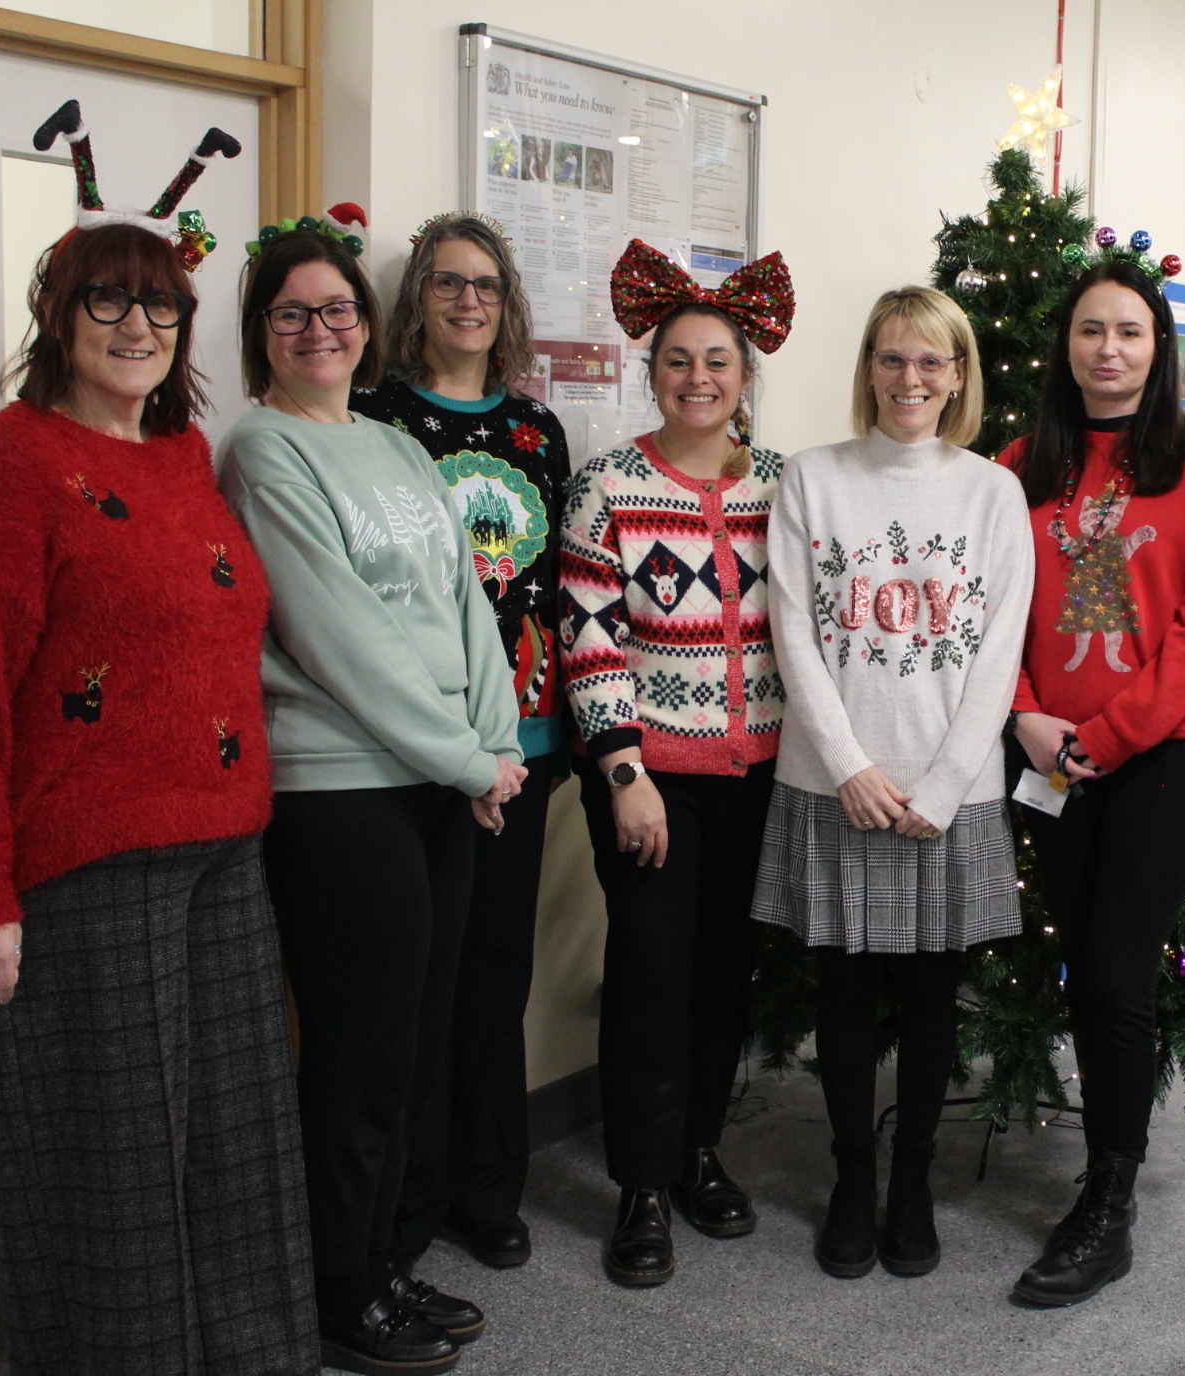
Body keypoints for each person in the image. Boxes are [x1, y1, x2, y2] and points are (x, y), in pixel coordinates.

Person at [0, 107, 316, 1373]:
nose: (137, 330)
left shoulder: (190, 459)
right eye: (108, 306)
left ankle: (249, 1355)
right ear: (62, 320)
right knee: (114, 1167)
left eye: (161, 310)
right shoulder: (6, 464)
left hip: (223, 854)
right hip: (83, 873)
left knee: (241, 1149)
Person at [218, 217, 523, 1376]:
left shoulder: (394, 447)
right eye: (292, 313)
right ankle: (337, 1287)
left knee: (411, 1044)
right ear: (262, 334)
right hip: (340, 790)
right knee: (356, 1051)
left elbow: (464, 609)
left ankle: (384, 1259)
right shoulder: (261, 450)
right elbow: (336, 636)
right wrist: (464, 758)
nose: (319, 329)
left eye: (337, 309)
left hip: (442, 777)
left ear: (364, 323)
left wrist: (492, 745)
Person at [754, 287, 1033, 1280]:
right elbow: (792, 630)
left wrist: (948, 778)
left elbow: (1000, 646)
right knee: (841, 991)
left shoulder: (989, 493)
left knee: (925, 999)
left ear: (958, 374)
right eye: (890, 357)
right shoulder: (811, 478)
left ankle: (909, 1180)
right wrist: (852, 768)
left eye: (930, 361)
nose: (909, 378)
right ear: (867, 366)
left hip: (947, 790)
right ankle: (847, 1178)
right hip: (834, 780)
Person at [998, 260, 1185, 1307]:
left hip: (1168, 753)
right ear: (1065, 346)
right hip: (1050, 752)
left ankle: (1107, 1199)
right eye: (1090, 330)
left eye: (1130, 333)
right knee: (1085, 965)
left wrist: (1106, 737)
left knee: (1110, 969)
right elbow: (988, 605)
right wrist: (1024, 713)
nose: (1108, 349)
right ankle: (1104, 1174)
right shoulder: (1019, 462)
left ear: (1158, 351)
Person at [559, 240, 794, 1286]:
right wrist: (622, 773)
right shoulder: (603, 486)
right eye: (677, 361)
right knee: (651, 977)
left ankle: (700, 1152)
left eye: (718, 361)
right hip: (651, 779)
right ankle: (641, 1186)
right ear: (649, 373)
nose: (697, 379)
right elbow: (587, 638)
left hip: (763, 778)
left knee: (720, 978)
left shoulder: (787, 489)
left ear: (745, 377)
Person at [351, 211, 573, 1271]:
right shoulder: (371, 419)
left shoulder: (537, 431)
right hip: (409, 739)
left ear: (507, 301)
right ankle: (411, 1190)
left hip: (521, 738)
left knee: (493, 974)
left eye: (486, 284)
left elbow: (560, 588)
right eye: (446, 283)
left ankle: (490, 1188)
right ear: (415, 300)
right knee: (413, 979)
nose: (468, 301)